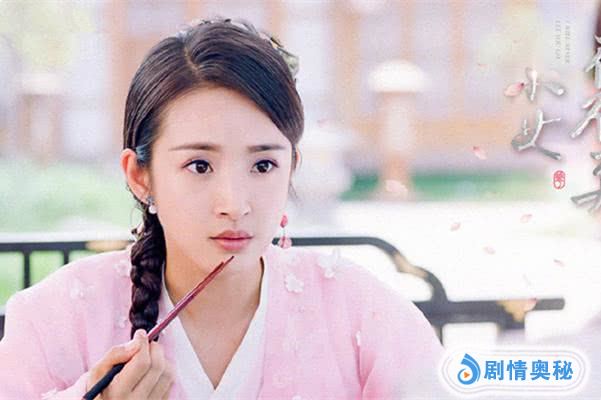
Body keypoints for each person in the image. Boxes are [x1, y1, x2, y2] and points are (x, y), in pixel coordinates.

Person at [0, 18, 445, 399]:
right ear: (140, 175)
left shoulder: (362, 311)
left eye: (263, 165)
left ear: (291, 168)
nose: (234, 204)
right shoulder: (52, 318)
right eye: (199, 165)